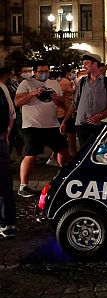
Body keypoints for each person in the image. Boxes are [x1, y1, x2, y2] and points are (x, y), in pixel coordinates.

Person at [15, 61, 70, 197]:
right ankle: (23, 186)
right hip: (32, 125)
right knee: (31, 154)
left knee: (63, 151)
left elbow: (62, 103)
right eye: (40, 71)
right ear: (35, 72)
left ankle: (64, 177)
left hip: (52, 124)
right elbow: (17, 102)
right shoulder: (26, 83)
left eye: (46, 71)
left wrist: (57, 100)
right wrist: (32, 93)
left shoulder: (54, 84)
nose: (44, 74)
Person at [61, 54, 107, 149]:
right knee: (84, 151)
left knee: (99, 150)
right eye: (83, 63)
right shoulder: (82, 82)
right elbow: (75, 103)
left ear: (95, 64)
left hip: (99, 124)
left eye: (86, 63)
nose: (84, 66)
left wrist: (101, 115)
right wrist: (65, 121)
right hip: (82, 124)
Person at [0, 69, 16, 238]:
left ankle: (7, 223)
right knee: (4, 183)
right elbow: (12, 114)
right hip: (1, 140)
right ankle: (7, 224)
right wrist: (6, 135)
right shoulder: (2, 88)